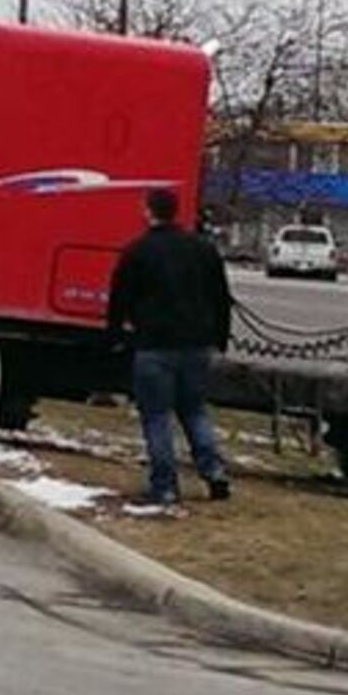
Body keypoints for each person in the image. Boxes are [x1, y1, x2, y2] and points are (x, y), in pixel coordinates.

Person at [107, 188, 233, 506]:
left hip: (154, 345)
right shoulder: (203, 249)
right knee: (195, 410)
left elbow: (119, 297)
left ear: (149, 211)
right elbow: (221, 297)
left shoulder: (138, 250)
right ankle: (214, 471)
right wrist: (220, 337)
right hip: (197, 345)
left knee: (156, 416)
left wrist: (115, 335)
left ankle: (164, 486)